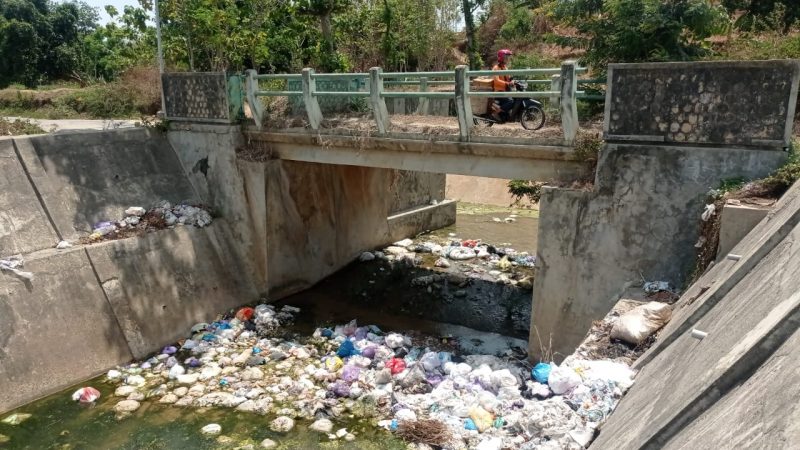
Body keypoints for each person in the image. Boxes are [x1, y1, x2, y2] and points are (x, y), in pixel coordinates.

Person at [492, 49, 515, 120]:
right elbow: (496, 81)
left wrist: (513, 80)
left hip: (505, 91)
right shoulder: (496, 68)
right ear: (501, 58)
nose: (507, 59)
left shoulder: (505, 68)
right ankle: (496, 112)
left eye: (508, 57)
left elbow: (509, 77)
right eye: (506, 57)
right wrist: (507, 83)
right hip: (499, 92)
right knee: (511, 101)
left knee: (515, 98)